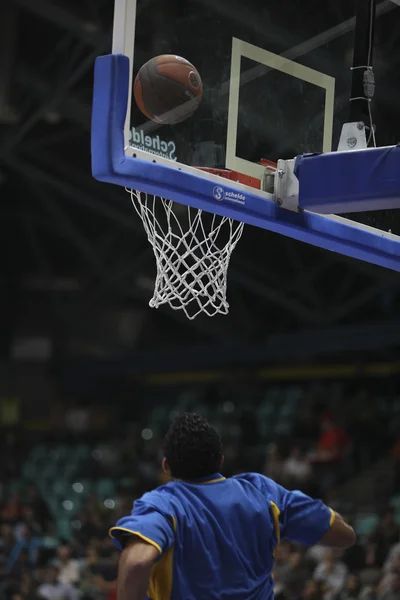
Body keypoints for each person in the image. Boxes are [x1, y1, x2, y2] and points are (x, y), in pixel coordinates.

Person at [110, 413, 355, 600]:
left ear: (166, 466)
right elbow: (344, 536)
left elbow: (136, 562)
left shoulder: (163, 504)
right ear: (220, 460)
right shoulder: (262, 492)